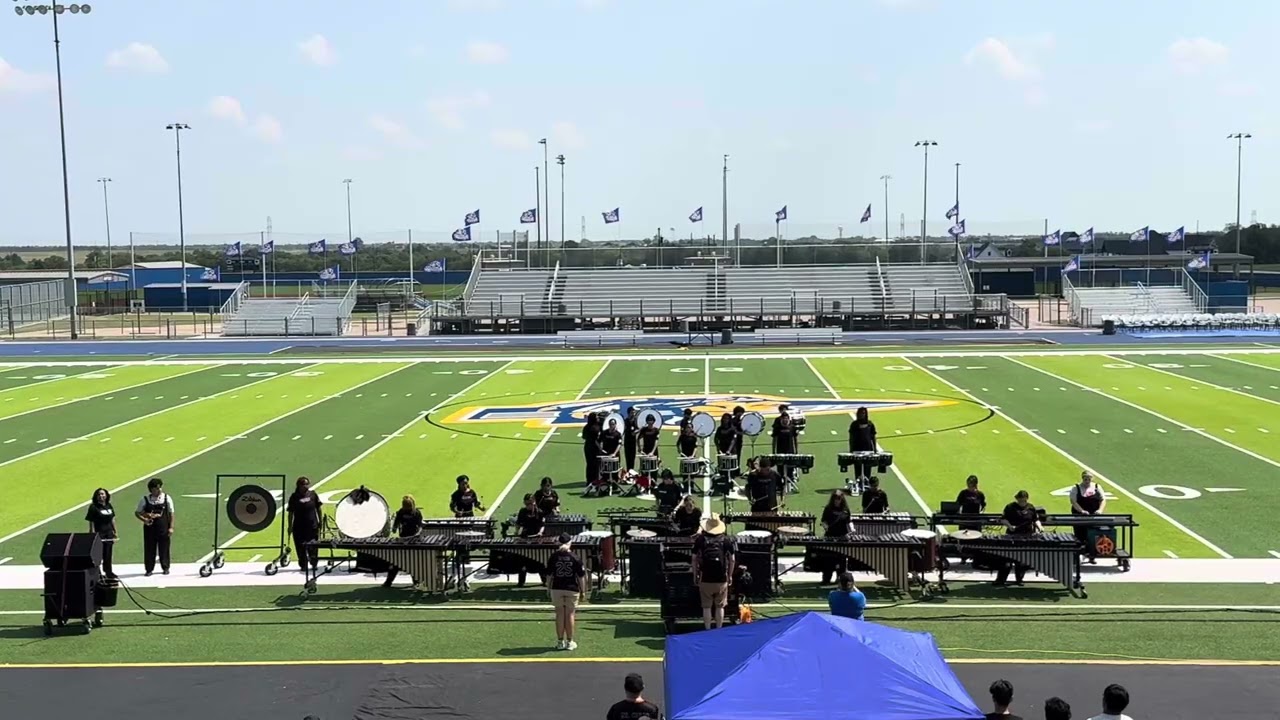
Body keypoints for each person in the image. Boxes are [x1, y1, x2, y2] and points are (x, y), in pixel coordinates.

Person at [692, 514, 736, 630]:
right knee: (720, 606)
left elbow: (694, 558)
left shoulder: (701, 539)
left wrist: (695, 575)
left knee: (706, 607)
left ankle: (707, 629)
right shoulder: (726, 540)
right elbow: (732, 559)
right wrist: (730, 575)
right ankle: (719, 629)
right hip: (721, 578)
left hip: (705, 578)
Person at [546, 533, 586, 651]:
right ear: (570, 543)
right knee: (570, 615)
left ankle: (560, 642)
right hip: (571, 589)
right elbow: (581, 577)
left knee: (559, 614)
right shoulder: (575, 557)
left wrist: (548, 588)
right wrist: (583, 591)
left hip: (557, 588)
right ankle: (570, 641)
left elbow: (549, 575)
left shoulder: (554, 557)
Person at [996, 490, 1043, 586]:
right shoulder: (1010, 507)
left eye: (1024, 500)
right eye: (1020, 500)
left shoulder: (1031, 507)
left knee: (1022, 561)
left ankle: (1019, 579)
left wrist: (1040, 527)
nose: (1022, 502)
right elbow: (1003, 519)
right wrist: (1010, 526)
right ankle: (1000, 580)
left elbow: (1035, 519)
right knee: (1007, 561)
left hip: (1026, 537)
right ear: (1017, 499)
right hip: (1012, 537)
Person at [135, 478, 174, 576]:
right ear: (151, 490)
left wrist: (171, 527)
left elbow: (171, 513)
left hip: (163, 527)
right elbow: (138, 512)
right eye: (156, 488)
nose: (159, 490)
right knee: (149, 549)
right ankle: (149, 569)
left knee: (164, 548)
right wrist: (145, 518)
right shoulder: (145, 499)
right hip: (150, 529)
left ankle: (165, 567)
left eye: (160, 487)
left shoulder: (166, 498)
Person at [383, 495, 424, 587]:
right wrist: (394, 528)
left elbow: (421, 525)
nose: (407, 509)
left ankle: (416, 581)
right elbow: (396, 524)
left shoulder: (416, 513)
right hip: (403, 540)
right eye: (405, 506)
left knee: (413, 563)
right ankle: (388, 581)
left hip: (414, 541)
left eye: (408, 506)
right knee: (396, 561)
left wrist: (418, 533)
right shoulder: (401, 512)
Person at [286, 476, 323, 574]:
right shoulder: (294, 497)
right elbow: (290, 512)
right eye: (304, 484)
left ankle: (314, 563)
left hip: (312, 525)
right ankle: (303, 564)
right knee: (300, 547)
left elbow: (318, 508)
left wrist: (320, 521)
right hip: (299, 526)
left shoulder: (313, 494)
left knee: (313, 546)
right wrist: (290, 526)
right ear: (299, 486)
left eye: (307, 484)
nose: (306, 486)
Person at [1069, 471, 1107, 563]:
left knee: (1092, 536)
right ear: (1082, 478)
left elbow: (1103, 500)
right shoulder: (1076, 488)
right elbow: (1073, 502)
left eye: (1089, 479)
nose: (1087, 481)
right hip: (1079, 517)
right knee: (1079, 536)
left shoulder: (1097, 487)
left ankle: (1092, 555)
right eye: (1085, 479)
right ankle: (1078, 555)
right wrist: (1081, 511)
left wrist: (1100, 510)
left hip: (1093, 517)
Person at [820, 490, 852, 584]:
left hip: (842, 537)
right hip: (830, 536)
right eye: (835, 499)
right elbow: (823, 521)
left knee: (841, 561)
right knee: (828, 560)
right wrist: (825, 526)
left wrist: (850, 531)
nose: (837, 501)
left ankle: (841, 579)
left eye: (839, 499)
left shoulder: (845, 510)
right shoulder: (828, 509)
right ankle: (826, 579)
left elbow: (848, 522)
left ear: (842, 499)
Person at [85, 488, 117, 580]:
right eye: (99, 494)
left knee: (108, 553)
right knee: (98, 555)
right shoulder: (93, 507)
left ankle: (108, 572)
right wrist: (92, 533)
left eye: (103, 494)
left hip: (109, 533)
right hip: (99, 533)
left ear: (106, 495)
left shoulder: (109, 505)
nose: (101, 496)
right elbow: (91, 521)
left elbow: (112, 519)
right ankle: (97, 573)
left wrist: (115, 531)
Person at [514, 493, 545, 587]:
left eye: (530, 503)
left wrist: (540, 532)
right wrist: (516, 532)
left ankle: (544, 580)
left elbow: (542, 525)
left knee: (539, 560)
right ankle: (521, 582)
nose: (528, 506)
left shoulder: (539, 512)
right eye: (526, 504)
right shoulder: (522, 511)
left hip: (537, 538)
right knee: (522, 559)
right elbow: (518, 524)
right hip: (525, 537)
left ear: (534, 502)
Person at [847, 407, 877, 480]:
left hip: (868, 450)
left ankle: (867, 483)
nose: (862, 415)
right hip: (857, 450)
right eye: (860, 413)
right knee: (858, 470)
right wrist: (851, 449)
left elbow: (873, 438)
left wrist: (875, 449)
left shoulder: (870, 424)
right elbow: (851, 438)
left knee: (867, 470)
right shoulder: (854, 425)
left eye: (863, 413)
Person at [583, 413, 603, 486]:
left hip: (588, 447)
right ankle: (594, 479)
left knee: (591, 464)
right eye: (596, 417)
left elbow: (584, 437)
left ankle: (590, 480)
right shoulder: (595, 427)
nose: (598, 418)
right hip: (594, 447)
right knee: (594, 464)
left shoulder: (587, 427)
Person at [623, 406, 639, 472]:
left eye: (634, 412)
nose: (634, 414)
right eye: (632, 412)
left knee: (632, 457)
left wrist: (637, 431)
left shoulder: (635, 421)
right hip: (627, 441)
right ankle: (628, 471)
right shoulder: (625, 421)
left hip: (633, 442)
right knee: (628, 457)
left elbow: (637, 429)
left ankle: (631, 471)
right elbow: (625, 431)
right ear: (629, 413)